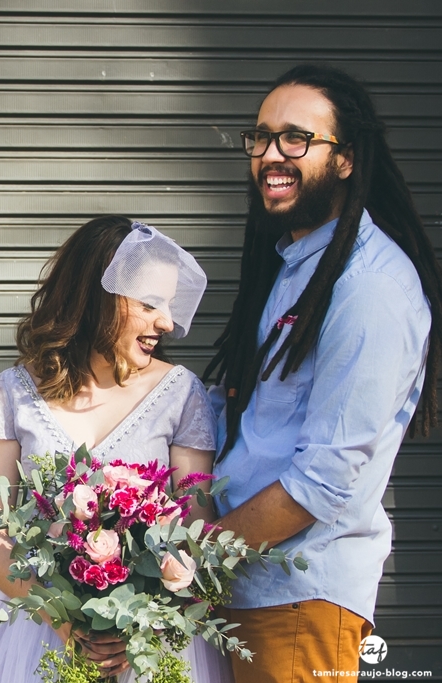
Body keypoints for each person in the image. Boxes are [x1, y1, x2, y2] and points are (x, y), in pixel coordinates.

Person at [204, 63, 442, 683]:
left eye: (296, 138)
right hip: (248, 592)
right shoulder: (295, 266)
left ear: (345, 159)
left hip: (298, 601)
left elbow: (323, 480)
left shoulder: (368, 288)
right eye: (261, 137)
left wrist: (195, 555)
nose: (270, 155)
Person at [0, 215, 234, 683]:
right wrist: (62, 618)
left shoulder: (183, 394)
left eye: (169, 304)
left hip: (145, 639)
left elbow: (194, 528)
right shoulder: (12, 393)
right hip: (33, 628)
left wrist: (138, 622)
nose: (167, 321)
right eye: (149, 303)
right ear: (97, 296)